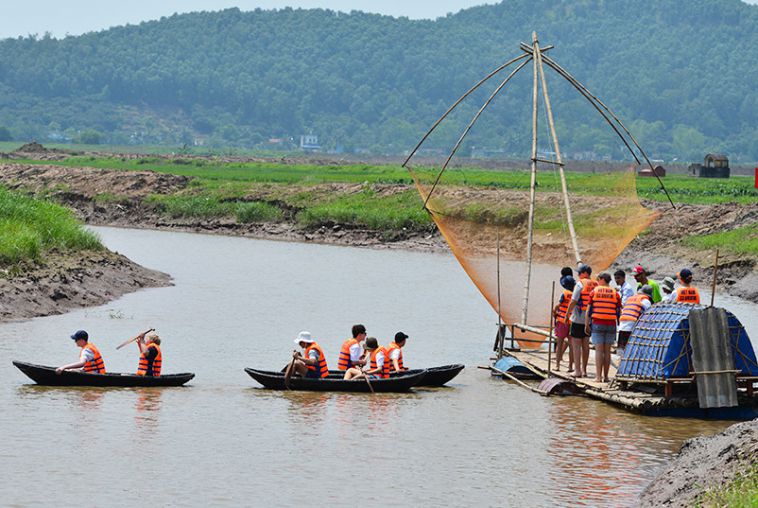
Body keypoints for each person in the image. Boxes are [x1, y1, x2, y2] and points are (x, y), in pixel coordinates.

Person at [584, 273, 621, 383]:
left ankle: (598, 377)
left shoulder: (594, 291)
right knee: (607, 351)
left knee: (599, 351)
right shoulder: (615, 293)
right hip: (611, 324)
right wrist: (618, 323)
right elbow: (618, 310)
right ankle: (606, 377)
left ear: (601, 280)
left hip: (598, 323)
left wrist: (586, 324)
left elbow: (588, 310)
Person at [565, 264, 597, 378]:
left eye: (579, 272)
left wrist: (567, 314)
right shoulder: (596, 284)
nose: (578, 275)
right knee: (586, 345)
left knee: (576, 345)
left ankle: (577, 370)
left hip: (578, 319)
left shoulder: (580, 284)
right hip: (590, 320)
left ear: (585, 273)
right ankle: (584, 370)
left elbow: (573, 301)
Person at [617, 285, 653, 357]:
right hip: (632, 328)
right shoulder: (646, 301)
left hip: (622, 327)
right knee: (632, 353)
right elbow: (649, 316)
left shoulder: (630, 299)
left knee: (622, 352)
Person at [552, 275, 575, 372]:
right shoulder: (575, 294)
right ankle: (570, 367)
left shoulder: (564, 294)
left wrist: (555, 312)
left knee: (559, 343)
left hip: (562, 321)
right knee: (572, 346)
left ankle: (557, 365)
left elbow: (559, 305)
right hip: (572, 322)